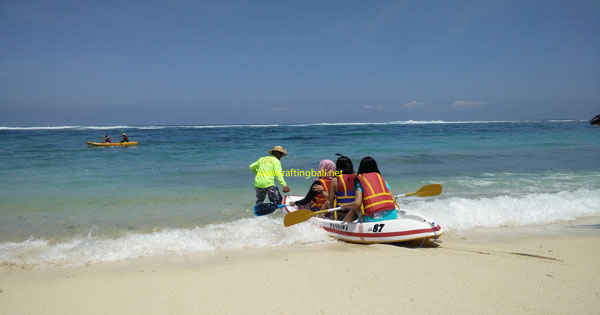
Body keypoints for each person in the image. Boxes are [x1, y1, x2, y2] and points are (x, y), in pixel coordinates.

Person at [342, 156, 399, 223]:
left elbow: (357, 203)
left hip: (372, 220)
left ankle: (342, 226)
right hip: (392, 216)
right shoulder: (383, 181)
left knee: (355, 207)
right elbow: (394, 200)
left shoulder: (360, 182)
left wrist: (344, 206)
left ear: (361, 167)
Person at [325, 154, 356, 220]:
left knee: (327, 203)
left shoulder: (335, 180)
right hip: (355, 213)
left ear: (338, 167)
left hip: (341, 213)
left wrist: (321, 191)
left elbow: (330, 199)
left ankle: (320, 219)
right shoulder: (357, 178)